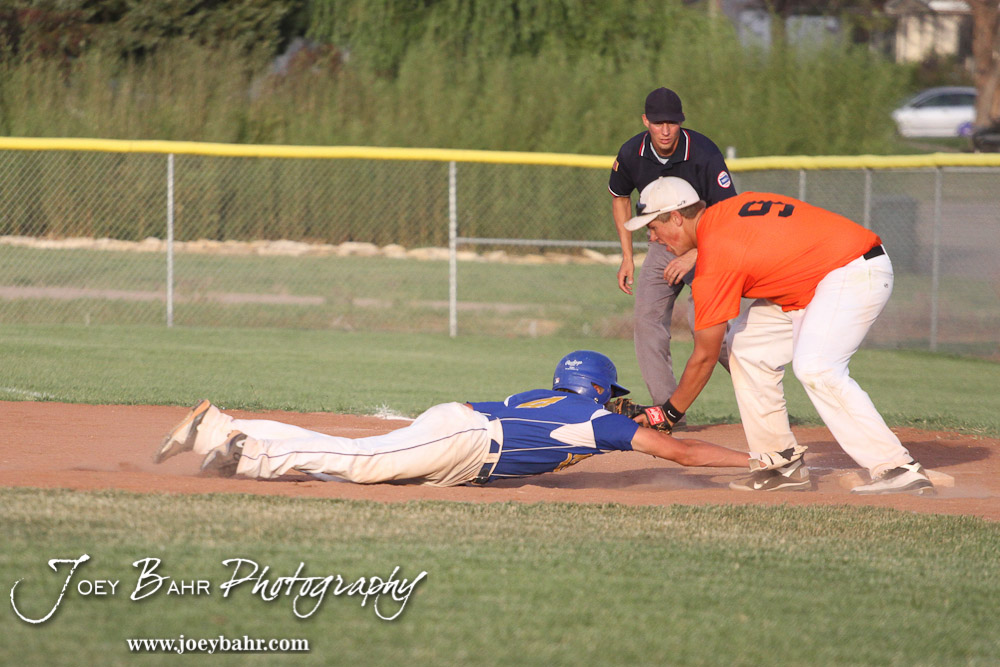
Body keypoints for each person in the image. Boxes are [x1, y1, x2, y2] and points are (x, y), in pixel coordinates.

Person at [622, 177, 935, 495]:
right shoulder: (728, 213)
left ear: (676, 217)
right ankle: (781, 464)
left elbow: (704, 355)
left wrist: (669, 413)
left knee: (817, 367)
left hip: (851, 270)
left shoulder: (717, 254)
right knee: (745, 348)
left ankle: (896, 468)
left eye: (653, 227)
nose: (653, 238)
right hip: (810, 282)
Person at [153, 350, 803, 486]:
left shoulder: (550, 400)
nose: (616, 404)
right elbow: (678, 453)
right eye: (613, 395)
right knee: (359, 460)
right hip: (468, 439)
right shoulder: (592, 418)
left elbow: (592, 419)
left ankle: (231, 442)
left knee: (358, 461)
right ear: (597, 389)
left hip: (464, 427)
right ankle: (227, 435)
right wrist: (758, 457)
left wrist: (628, 410)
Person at [609, 87, 737, 411]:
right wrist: (627, 256)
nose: (665, 130)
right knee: (646, 321)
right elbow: (619, 197)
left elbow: (728, 215)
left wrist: (696, 254)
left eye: (672, 122)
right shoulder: (631, 153)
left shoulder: (704, 152)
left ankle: (761, 399)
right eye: (657, 122)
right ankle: (666, 413)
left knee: (708, 329)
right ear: (645, 121)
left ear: (681, 122)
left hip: (707, 245)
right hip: (663, 245)